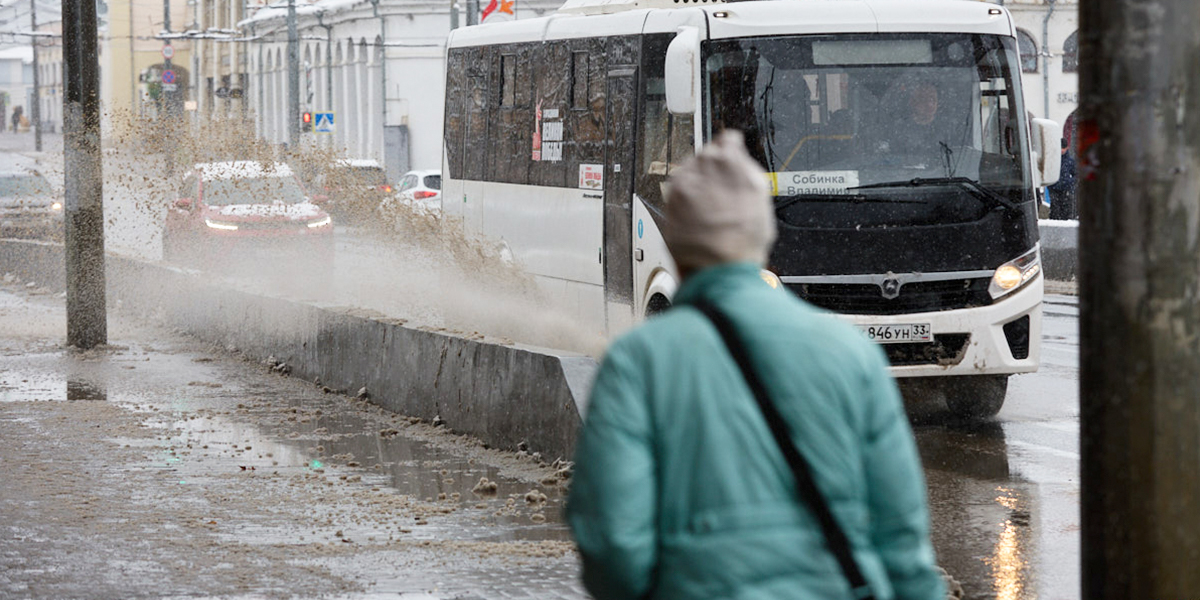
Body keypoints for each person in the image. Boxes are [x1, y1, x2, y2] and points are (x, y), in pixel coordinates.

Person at [567, 130, 945, 600]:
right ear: (763, 236)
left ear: (678, 246)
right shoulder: (852, 354)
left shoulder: (638, 363)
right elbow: (902, 540)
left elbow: (612, 542)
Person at [1048, 137, 1078, 220]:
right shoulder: (1053, 160)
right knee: (1055, 210)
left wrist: (1070, 183)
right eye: (1061, 148)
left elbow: (1076, 175)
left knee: (1065, 211)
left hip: (1065, 190)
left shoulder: (1070, 161)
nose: (1062, 150)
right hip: (1054, 189)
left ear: (1067, 148)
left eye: (1063, 148)